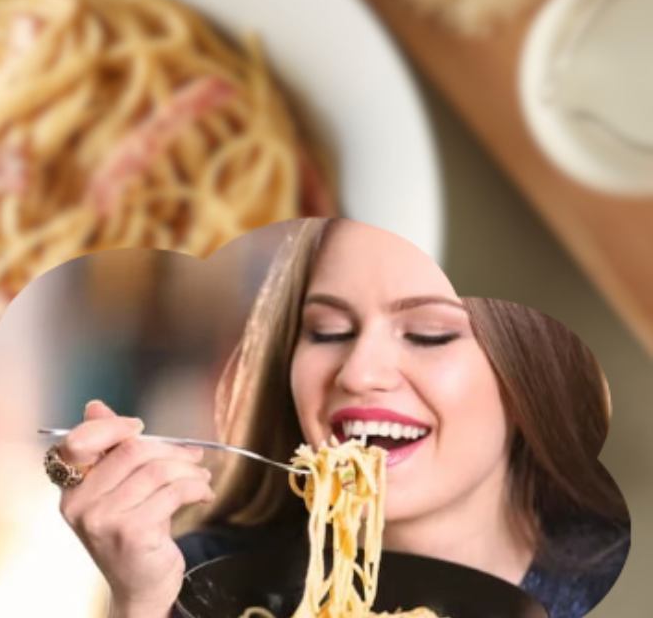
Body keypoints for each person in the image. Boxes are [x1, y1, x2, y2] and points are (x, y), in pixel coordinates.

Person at [44, 218, 629, 618]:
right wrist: (139, 603)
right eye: (329, 331)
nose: (358, 371)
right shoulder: (200, 580)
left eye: (430, 334)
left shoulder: (612, 581)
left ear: (529, 369)